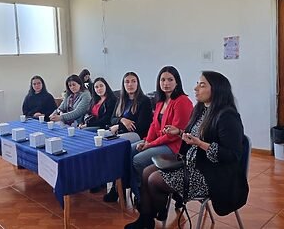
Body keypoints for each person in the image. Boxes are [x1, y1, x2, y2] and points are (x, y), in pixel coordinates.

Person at [125, 71, 249, 229]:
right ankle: (147, 218)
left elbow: (232, 155)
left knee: (154, 179)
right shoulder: (202, 109)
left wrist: (200, 144)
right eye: (197, 83)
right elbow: (194, 136)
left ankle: (152, 214)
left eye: (202, 85)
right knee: (147, 172)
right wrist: (180, 132)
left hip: (212, 174)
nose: (196, 88)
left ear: (217, 89)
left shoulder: (227, 116)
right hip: (193, 164)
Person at [130, 66, 193, 200]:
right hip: (160, 142)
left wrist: (149, 145)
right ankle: (137, 188)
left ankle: (149, 195)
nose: (166, 83)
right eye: (162, 80)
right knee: (129, 150)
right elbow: (154, 125)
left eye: (170, 79)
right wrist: (147, 141)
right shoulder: (160, 101)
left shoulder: (182, 101)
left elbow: (173, 134)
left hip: (175, 147)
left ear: (177, 82)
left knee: (138, 160)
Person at [104, 72, 152, 202]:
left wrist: (119, 127)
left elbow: (141, 126)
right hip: (121, 132)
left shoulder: (144, 101)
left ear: (138, 83)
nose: (130, 84)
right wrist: (122, 120)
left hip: (138, 135)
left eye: (133, 81)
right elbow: (112, 118)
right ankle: (117, 186)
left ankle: (119, 187)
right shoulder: (121, 100)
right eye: (127, 82)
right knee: (104, 142)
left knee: (117, 148)